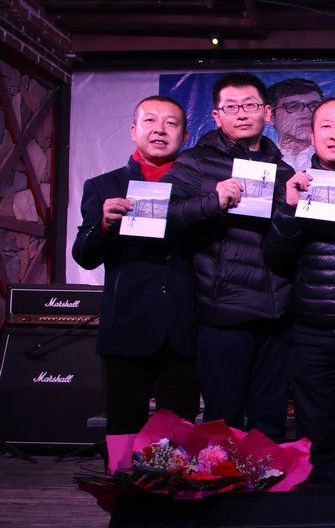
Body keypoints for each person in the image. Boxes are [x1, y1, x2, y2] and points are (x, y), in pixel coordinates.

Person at [166, 72, 294, 441]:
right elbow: (159, 218)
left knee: (270, 423)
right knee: (222, 423)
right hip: (223, 314)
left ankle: (268, 480)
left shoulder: (284, 171)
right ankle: (223, 481)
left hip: (276, 316)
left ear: (266, 112)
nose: (241, 113)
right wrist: (213, 200)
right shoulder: (194, 164)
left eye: (250, 105)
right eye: (231, 106)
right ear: (216, 115)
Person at [264, 96, 335, 487]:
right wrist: (289, 208)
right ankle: (321, 514)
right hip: (311, 334)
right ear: (312, 136)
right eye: (326, 126)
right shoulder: (295, 185)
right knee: (316, 437)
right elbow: (277, 260)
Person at [72, 95, 199, 434]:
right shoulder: (103, 186)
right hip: (125, 327)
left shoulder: (198, 189)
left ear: (185, 136)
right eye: (150, 121)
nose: (160, 130)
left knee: (179, 435)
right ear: (133, 130)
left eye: (171, 123)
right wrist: (103, 226)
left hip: (183, 329)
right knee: (123, 429)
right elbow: (84, 255)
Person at [266, 77, 325, 170]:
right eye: (293, 106)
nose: (307, 114)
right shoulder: (259, 162)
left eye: (314, 106)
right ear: (270, 115)